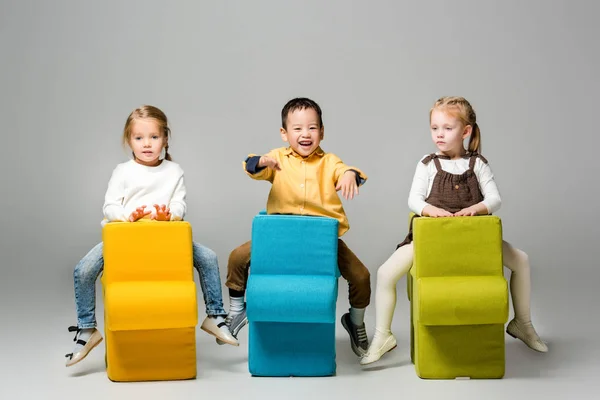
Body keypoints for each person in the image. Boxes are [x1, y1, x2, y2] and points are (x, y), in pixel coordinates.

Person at [360, 96, 548, 365]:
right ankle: (383, 335)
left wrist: (478, 208)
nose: (439, 134)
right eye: (434, 128)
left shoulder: (478, 164)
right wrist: (428, 210)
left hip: (474, 244)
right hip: (431, 242)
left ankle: (523, 323)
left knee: (522, 261)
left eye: (447, 128)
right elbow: (413, 199)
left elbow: (496, 199)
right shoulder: (427, 163)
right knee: (385, 273)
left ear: (466, 131)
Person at [65, 105, 237, 368]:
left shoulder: (174, 171)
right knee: (83, 270)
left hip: (165, 242)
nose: (147, 144)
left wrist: (169, 215)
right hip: (124, 240)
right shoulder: (122, 171)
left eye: (154, 137)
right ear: (129, 140)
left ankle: (215, 314)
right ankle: (87, 329)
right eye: (139, 138)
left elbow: (180, 205)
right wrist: (128, 216)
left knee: (208, 257)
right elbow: (109, 206)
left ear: (165, 139)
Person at [222, 97, 371, 356]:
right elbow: (250, 164)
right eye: (297, 128)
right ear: (284, 133)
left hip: (321, 241)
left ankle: (355, 321)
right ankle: (237, 311)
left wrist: (349, 174)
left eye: (312, 128)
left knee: (361, 276)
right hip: (279, 238)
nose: (305, 134)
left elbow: (347, 171)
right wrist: (262, 163)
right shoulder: (276, 159)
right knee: (237, 257)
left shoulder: (330, 162)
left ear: (322, 132)